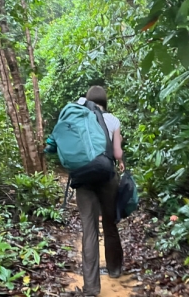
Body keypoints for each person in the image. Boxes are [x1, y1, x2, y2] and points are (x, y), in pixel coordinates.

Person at [75, 86, 125, 297]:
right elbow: (116, 152)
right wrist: (120, 160)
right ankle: (114, 270)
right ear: (105, 101)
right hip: (106, 176)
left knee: (89, 229)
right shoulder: (113, 120)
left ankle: (91, 288)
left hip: (83, 177)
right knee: (109, 223)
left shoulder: (79, 116)